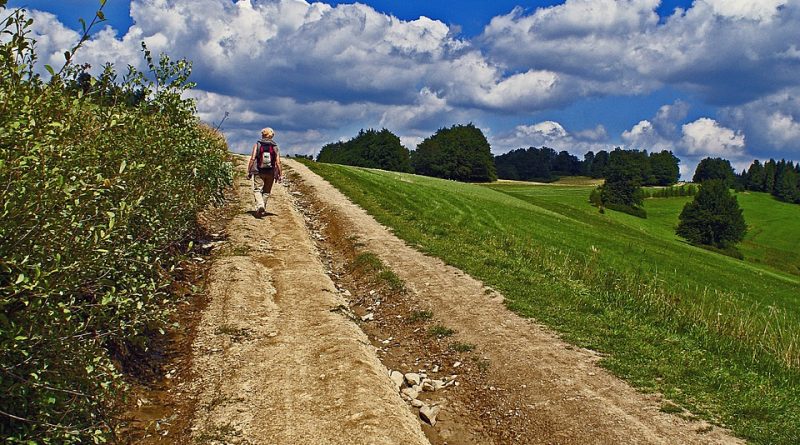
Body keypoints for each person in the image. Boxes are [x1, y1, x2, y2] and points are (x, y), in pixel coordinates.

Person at [247, 127, 283, 216]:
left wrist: (249, 171)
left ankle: (260, 205)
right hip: (270, 172)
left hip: (259, 171)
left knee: (257, 190)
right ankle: (262, 209)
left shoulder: (257, 145)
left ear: (262, 135)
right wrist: (279, 174)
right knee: (266, 191)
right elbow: (278, 162)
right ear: (272, 136)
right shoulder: (275, 146)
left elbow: (252, 158)